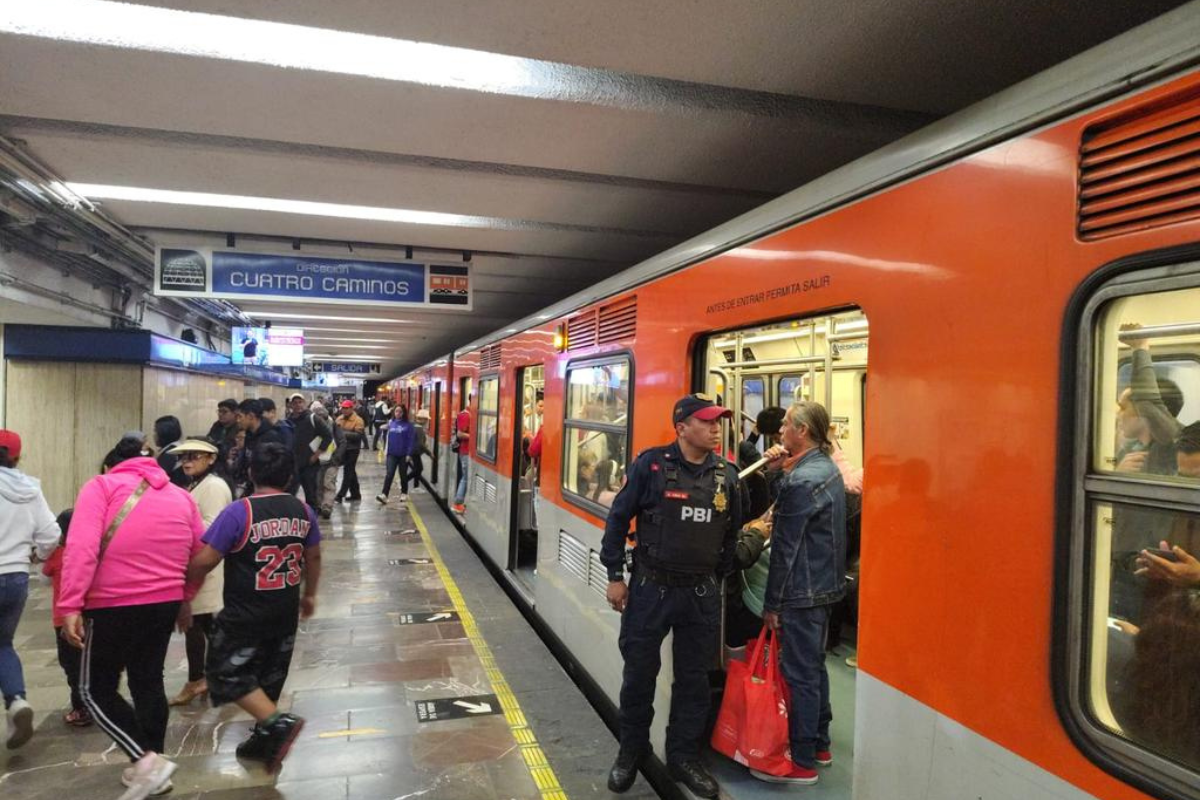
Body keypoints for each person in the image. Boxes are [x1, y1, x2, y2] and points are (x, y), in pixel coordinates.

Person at [599, 394, 742, 799]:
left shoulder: (726, 476)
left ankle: (682, 757)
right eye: (707, 422)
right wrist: (614, 575)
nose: (716, 428)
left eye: (718, 422)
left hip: (699, 594)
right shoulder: (651, 466)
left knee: (693, 681)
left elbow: (732, 534)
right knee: (639, 675)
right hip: (650, 590)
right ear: (682, 427)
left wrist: (714, 579)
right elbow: (618, 519)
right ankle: (631, 751)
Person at [60, 434, 205, 799]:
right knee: (148, 681)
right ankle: (154, 766)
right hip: (165, 602)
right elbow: (201, 553)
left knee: (94, 689)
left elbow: (81, 548)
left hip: (112, 603)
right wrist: (184, 597)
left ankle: (146, 762)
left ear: (112, 464)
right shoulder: (181, 496)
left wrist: (70, 605)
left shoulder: (101, 486)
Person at [186, 443, 320, 775]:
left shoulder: (239, 512)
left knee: (222, 671)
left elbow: (206, 559)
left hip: (244, 614)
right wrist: (310, 595)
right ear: (290, 476)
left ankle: (277, 723)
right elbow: (313, 557)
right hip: (284, 610)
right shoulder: (304, 511)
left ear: (250, 473)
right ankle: (264, 740)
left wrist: (183, 588)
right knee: (270, 676)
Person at [757, 401, 847, 786]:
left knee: (798, 675)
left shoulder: (801, 480)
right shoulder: (825, 470)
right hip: (825, 585)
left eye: (786, 428)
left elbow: (785, 547)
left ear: (803, 431)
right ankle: (822, 744)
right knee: (814, 668)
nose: (780, 434)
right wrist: (778, 472)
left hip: (800, 591)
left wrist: (771, 603)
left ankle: (803, 759)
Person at [0, 429, 61, 749]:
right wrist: (39, 554)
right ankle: (16, 699)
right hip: (16, 577)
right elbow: (51, 533)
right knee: (3, 644)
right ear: (17, 456)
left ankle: (16, 702)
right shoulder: (29, 487)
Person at [169, 440, 233, 707]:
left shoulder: (214, 487)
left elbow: (211, 526)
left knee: (196, 622)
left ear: (211, 459)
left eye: (195, 457)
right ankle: (221, 676)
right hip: (198, 562)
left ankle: (199, 679)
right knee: (206, 624)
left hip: (206, 565)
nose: (187, 461)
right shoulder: (198, 484)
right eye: (185, 457)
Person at [42, 508, 92, 727]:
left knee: (71, 666)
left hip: (64, 620)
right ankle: (95, 703)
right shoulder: (89, 552)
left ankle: (80, 709)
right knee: (90, 663)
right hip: (90, 616)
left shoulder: (57, 555)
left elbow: (44, 577)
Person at [286, 393, 332, 511]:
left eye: (300, 402)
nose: (298, 405)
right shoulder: (288, 420)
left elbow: (328, 436)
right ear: (290, 405)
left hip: (309, 464)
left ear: (305, 403)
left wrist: (317, 454)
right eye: (295, 403)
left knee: (311, 494)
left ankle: (312, 518)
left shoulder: (312, 418)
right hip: (292, 464)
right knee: (289, 493)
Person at [377, 405, 415, 505]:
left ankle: (404, 493)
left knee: (403, 475)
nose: (398, 413)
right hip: (391, 453)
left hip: (403, 454)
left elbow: (411, 441)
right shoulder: (391, 423)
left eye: (400, 411)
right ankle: (384, 494)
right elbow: (385, 436)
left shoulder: (408, 425)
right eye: (396, 411)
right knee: (389, 474)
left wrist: (409, 454)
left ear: (404, 413)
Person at [313, 402, 343, 520]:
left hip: (332, 461)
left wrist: (337, 457)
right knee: (318, 485)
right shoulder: (311, 428)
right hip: (317, 462)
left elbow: (342, 441)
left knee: (329, 484)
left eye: (322, 419)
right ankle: (320, 506)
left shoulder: (334, 426)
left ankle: (327, 507)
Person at [335, 400, 366, 504]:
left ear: (352, 408)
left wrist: (343, 434)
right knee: (351, 471)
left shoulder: (358, 420)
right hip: (342, 449)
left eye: (346, 408)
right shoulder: (339, 419)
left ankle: (340, 494)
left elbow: (358, 436)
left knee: (348, 471)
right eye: (343, 408)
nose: (344, 410)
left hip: (353, 449)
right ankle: (356, 494)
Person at [153, 415, 189, 488]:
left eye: (155, 431)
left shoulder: (170, 453)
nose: (153, 435)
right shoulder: (175, 448)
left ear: (164, 433)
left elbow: (156, 478)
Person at [453, 396, 472, 513]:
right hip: (465, 451)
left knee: (466, 477)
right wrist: (476, 438)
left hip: (469, 452)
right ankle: (458, 503)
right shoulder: (465, 415)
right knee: (465, 477)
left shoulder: (471, 414)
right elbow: (460, 434)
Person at [408, 408, 431, 491]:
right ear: (423, 419)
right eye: (427, 419)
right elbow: (421, 444)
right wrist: (429, 453)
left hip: (412, 450)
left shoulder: (414, 425)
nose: (427, 421)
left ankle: (416, 486)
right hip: (415, 451)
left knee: (416, 468)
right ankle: (405, 481)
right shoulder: (419, 428)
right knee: (419, 469)